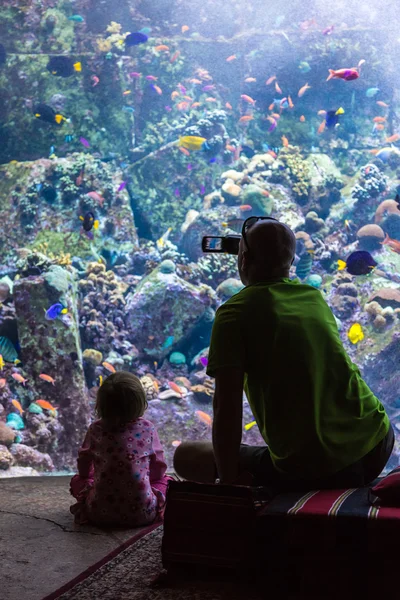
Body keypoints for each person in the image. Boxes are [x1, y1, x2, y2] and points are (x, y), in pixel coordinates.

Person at [174, 217, 394, 491]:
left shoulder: (233, 313)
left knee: (185, 457)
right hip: (377, 442)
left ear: (242, 260)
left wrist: (229, 479)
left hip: (319, 468)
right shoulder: (314, 299)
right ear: (290, 263)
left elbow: (226, 407)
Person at [70, 371, 172, 526]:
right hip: (143, 513)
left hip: (98, 513)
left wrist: (89, 477)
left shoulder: (95, 429)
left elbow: (83, 463)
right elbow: (158, 467)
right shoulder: (147, 428)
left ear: (101, 404)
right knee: (166, 481)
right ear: (140, 403)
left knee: (77, 481)